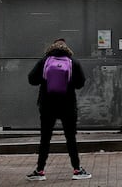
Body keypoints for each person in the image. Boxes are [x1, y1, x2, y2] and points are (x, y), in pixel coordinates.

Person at [26, 38, 92, 181]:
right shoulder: (73, 62)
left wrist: (46, 81)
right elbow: (80, 83)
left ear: (52, 47)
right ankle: (77, 170)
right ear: (66, 48)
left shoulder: (44, 61)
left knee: (45, 139)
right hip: (68, 105)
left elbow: (31, 79)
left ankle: (40, 171)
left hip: (47, 105)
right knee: (70, 138)